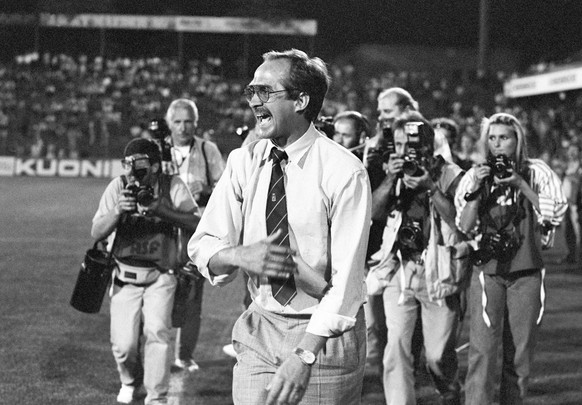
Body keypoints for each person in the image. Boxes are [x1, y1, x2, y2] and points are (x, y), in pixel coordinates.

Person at [189, 49, 371, 405]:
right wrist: (240, 255)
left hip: (324, 337)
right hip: (260, 326)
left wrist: (304, 355)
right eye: (251, 91)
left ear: (302, 100)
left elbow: (347, 287)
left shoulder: (344, 172)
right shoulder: (244, 161)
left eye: (265, 92)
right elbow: (202, 245)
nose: (254, 101)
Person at [454, 113, 567, 405]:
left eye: (504, 137)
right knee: (482, 351)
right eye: (492, 138)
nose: (497, 144)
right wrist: (476, 193)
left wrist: (521, 185)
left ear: (517, 140)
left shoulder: (536, 171)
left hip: (526, 271)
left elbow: (555, 213)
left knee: (519, 354)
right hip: (488, 271)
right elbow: (463, 226)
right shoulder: (475, 175)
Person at [366, 111, 466, 405]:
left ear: (428, 144)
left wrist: (431, 189)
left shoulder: (450, 174)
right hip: (399, 269)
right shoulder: (394, 173)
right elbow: (373, 214)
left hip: (439, 271)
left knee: (437, 355)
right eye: (398, 144)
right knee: (396, 350)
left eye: (411, 144)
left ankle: (449, 393)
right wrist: (391, 177)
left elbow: (461, 223)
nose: (405, 151)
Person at [91, 138, 199, 404]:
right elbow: (96, 231)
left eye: (137, 165)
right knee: (124, 345)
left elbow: (196, 222)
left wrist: (161, 210)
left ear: (153, 166)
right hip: (124, 275)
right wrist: (118, 210)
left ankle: (157, 396)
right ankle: (129, 380)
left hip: (161, 275)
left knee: (157, 336)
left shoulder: (172, 185)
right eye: (127, 164)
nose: (131, 172)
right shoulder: (117, 187)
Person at [164, 98, 226, 372]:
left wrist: (207, 193)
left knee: (191, 294)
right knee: (159, 290)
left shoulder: (207, 148)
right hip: (163, 229)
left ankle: (184, 354)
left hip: (197, 230)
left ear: (196, 122)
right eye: (177, 121)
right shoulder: (158, 149)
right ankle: (153, 352)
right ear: (169, 123)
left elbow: (224, 189)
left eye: (188, 121)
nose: (183, 127)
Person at [364, 88, 421, 375]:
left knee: (424, 337)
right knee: (380, 324)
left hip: (423, 247)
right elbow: (372, 207)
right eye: (380, 112)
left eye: (388, 111)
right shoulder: (374, 148)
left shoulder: (432, 141)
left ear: (407, 110)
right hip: (383, 247)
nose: (381, 117)